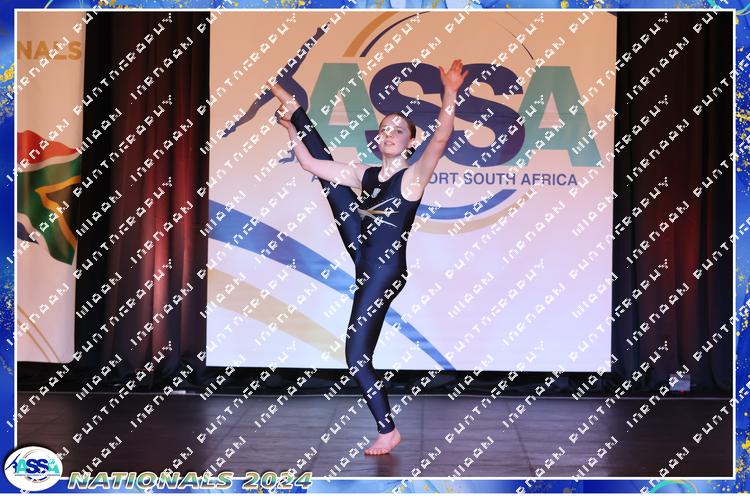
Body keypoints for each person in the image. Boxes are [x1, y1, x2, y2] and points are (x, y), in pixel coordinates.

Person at [268, 59, 468, 455]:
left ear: (410, 142)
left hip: (384, 269)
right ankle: (293, 109)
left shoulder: (413, 177)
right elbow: (310, 163)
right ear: (377, 139)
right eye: (385, 129)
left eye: (399, 130)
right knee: (332, 184)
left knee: (356, 357)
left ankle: (387, 430)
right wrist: (290, 128)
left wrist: (450, 92)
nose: (390, 134)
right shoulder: (367, 174)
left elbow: (442, 137)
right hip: (363, 249)